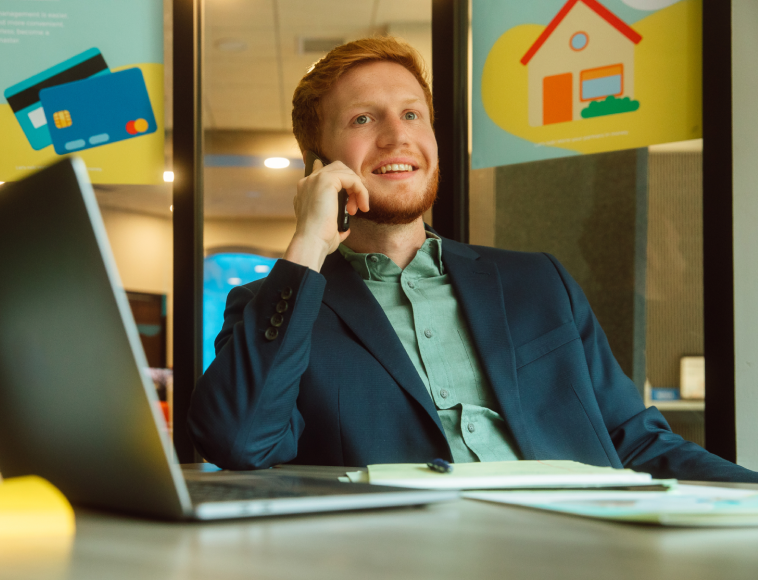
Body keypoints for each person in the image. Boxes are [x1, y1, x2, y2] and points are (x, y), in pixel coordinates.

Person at [188, 36, 758, 482]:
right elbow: (240, 443)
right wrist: (308, 244)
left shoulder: (538, 282)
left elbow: (637, 440)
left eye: (412, 115)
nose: (396, 137)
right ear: (317, 164)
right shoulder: (275, 308)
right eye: (364, 119)